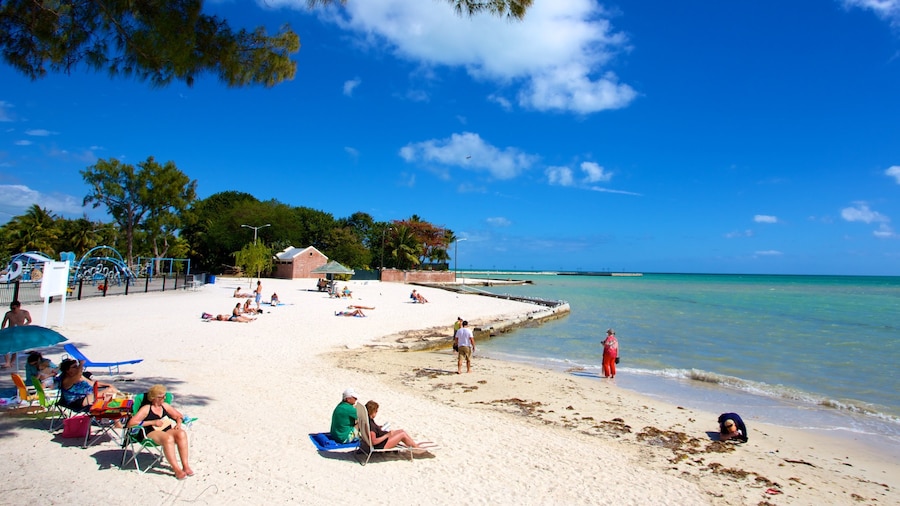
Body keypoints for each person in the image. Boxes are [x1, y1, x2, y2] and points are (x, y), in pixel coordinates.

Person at [127, 384, 194, 479]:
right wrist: (152, 422)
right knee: (167, 438)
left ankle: (185, 466)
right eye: (161, 397)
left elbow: (179, 416)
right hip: (149, 433)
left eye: (164, 396)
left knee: (181, 433)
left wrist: (178, 424)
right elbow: (131, 423)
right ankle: (176, 469)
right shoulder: (146, 408)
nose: (164, 398)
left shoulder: (165, 406)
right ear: (153, 398)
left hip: (166, 430)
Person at [364, 400, 428, 450]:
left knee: (401, 431)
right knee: (402, 434)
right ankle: (416, 448)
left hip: (381, 441)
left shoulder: (367, 420)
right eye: (376, 411)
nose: (376, 413)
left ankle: (414, 445)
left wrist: (379, 428)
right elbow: (374, 441)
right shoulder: (371, 426)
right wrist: (387, 435)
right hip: (381, 445)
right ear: (372, 411)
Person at [2, 300, 32, 368]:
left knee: (15, 348)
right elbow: (4, 322)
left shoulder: (24, 313)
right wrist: (2, 330)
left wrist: (24, 325)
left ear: (18, 307)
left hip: (19, 331)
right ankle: (7, 362)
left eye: (14, 308)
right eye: (11, 308)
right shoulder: (9, 314)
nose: (12, 310)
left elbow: (29, 320)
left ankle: (11, 362)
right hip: (10, 331)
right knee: (5, 346)